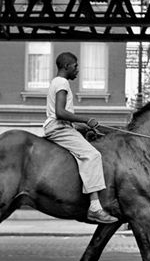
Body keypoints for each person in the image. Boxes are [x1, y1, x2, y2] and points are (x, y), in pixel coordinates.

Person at [43, 52, 118, 224]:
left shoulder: (57, 82)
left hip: (60, 126)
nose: (78, 70)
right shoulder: (62, 83)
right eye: (76, 66)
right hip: (59, 127)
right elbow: (60, 113)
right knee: (93, 155)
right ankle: (94, 207)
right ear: (66, 66)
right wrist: (86, 119)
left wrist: (83, 127)